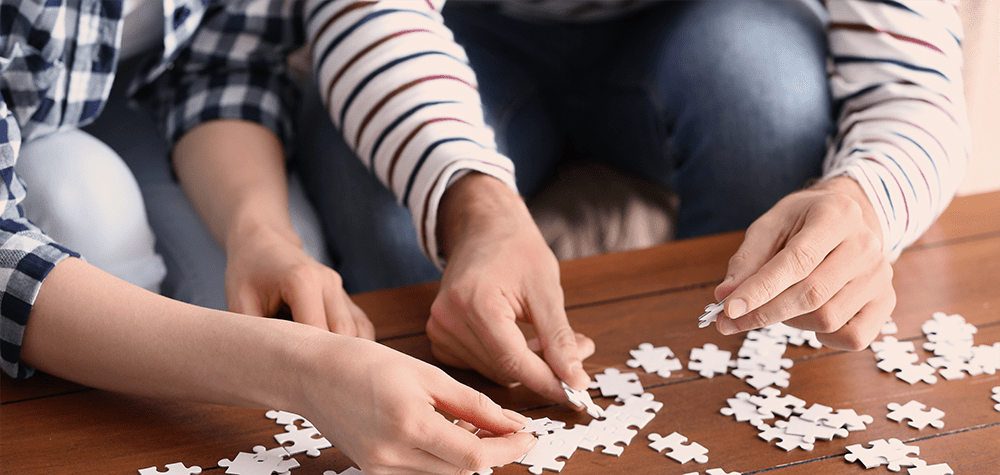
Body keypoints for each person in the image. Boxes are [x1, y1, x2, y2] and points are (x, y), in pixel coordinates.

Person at [290, 0, 967, 404]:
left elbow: (913, 83)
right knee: (375, 187)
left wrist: (867, 199)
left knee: (766, 100)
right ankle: (436, 417)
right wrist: (471, 203)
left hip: (710, 29)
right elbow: (360, 11)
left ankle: (726, 407)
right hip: (460, 29)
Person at [0, 0, 535, 475]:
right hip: (33, 133)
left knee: (281, 278)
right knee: (86, 204)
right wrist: (301, 371)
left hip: (139, 96)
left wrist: (262, 235)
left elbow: (224, 66)